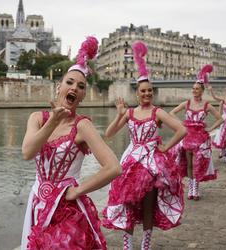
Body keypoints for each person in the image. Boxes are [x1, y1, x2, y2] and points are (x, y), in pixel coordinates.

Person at [21, 36, 121, 250]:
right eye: (70, 82)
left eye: (81, 86)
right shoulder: (37, 118)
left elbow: (113, 167)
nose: (74, 87)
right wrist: (53, 122)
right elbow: (28, 152)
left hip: (67, 207)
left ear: (83, 95)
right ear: (59, 87)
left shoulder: (82, 126)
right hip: (38, 203)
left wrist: (77, 191)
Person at [102, 41, 187, 250]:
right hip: (131, 162)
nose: (147, 94)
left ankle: (145, 246)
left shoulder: (157, 112)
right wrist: (120, 115)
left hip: (150, 164)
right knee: (128, 205)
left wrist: (165, 148)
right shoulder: (129, 113)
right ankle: (127, 246)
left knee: (148, 207)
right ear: (137, 94)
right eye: (143, 91)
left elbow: (182, 130)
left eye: (150, 91)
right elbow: (108, 133)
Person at [168, 64, 223, 201]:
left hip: (200, 139)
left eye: (197, 89)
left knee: (197, 164)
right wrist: (181, 124)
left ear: (202, 91)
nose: (194, 91)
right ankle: (190, 189)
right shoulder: (186, 103)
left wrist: (211, 129)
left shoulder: (206, 105)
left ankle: (196, 189)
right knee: (189, 164)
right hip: (188, 137)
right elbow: (172, 112)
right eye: (193, 89)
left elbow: (220, 119)